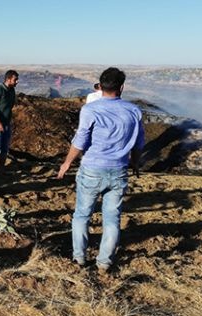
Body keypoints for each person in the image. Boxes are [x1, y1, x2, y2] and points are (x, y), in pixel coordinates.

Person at [57, 67, 145, 272]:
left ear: (100, 85)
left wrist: (67, 162)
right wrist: (136, 163)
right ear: (121, 87)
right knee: (112, 218)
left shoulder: (90, 110)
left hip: (92, 170)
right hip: (119, 170)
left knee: (82, 215)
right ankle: (104, 261)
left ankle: (79, 258)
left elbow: (80, 140)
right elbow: (139, 144)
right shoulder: (134, 111)